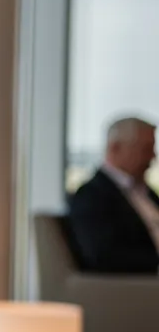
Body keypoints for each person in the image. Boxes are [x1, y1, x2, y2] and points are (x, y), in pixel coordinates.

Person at [68, 116, 159, 273]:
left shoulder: (146, 193)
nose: (153, 157)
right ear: (115, 148)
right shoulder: (91, 197)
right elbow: (103, 255)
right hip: (135, 285)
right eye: (146, 149)